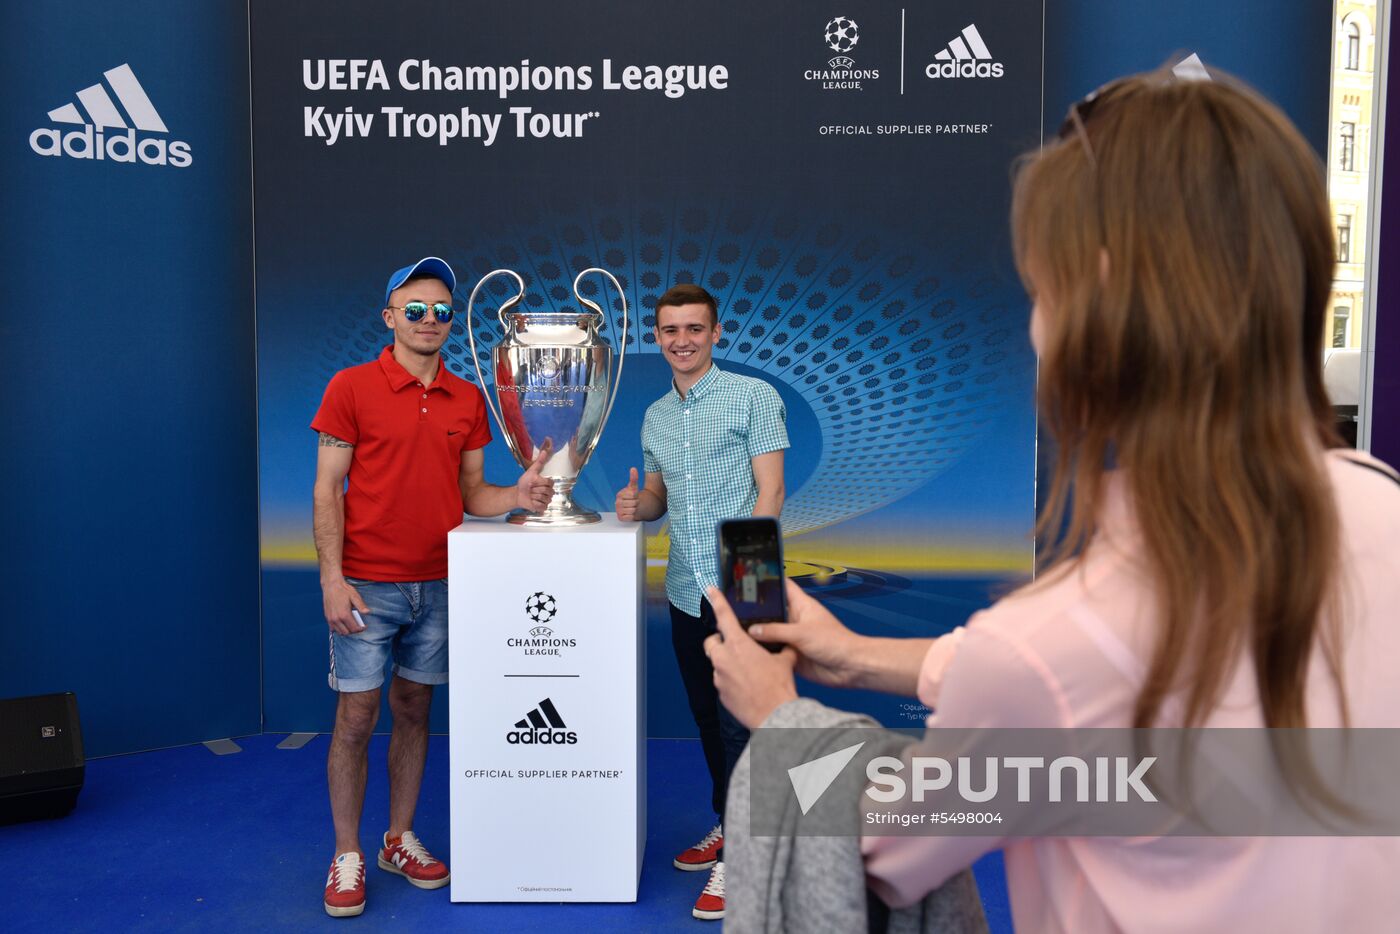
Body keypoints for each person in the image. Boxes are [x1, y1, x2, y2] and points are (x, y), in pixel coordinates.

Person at [706, 66, 1400, 932]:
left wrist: (780, 721)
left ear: (1100, 301)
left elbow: (883, 836)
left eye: (1042, 291)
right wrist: (855, 656)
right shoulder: (1383, 508)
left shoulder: (1050, 646)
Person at [312, 256, 553, 918]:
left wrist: (518, 494)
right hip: (366, 586)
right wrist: (332, 577)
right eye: (414, 310)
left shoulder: (467, 398)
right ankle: (346, 852)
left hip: (443, 585)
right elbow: (327, 488)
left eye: (441, 311)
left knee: (415, 711)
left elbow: (474, 493)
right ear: (390, 317)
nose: (428, 321)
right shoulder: (350, 388)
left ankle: (397, 839)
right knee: (357, 718)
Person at [615, 283, 789, 920]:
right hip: (685, 588)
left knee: (743, 722)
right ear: (656, 338)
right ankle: (729, 822)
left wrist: (745, 588)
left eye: (694, 328)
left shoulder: (754, 397)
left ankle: (742, 857)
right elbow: (661, 501)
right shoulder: (657, 415)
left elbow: (770, 493)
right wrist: (641, 507)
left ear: (717, 333)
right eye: (670, 331)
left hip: (745, 586)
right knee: (707, 716)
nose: (682, 340)